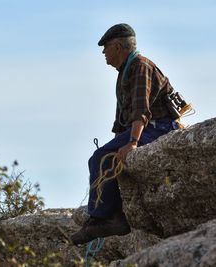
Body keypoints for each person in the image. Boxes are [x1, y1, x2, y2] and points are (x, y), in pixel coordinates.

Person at [70, 23, 179, 245]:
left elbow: (141, 111)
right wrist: (120, 140)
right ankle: (102, 216)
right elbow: (123, 121)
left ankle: (108, 219)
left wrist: (132, 143)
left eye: (106, 47)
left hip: (160, 127)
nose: (103, 53)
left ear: (118, 46)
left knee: (102, 157)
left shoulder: (139, 66)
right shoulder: (126, 71)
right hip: (148, 127)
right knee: (101, 155)